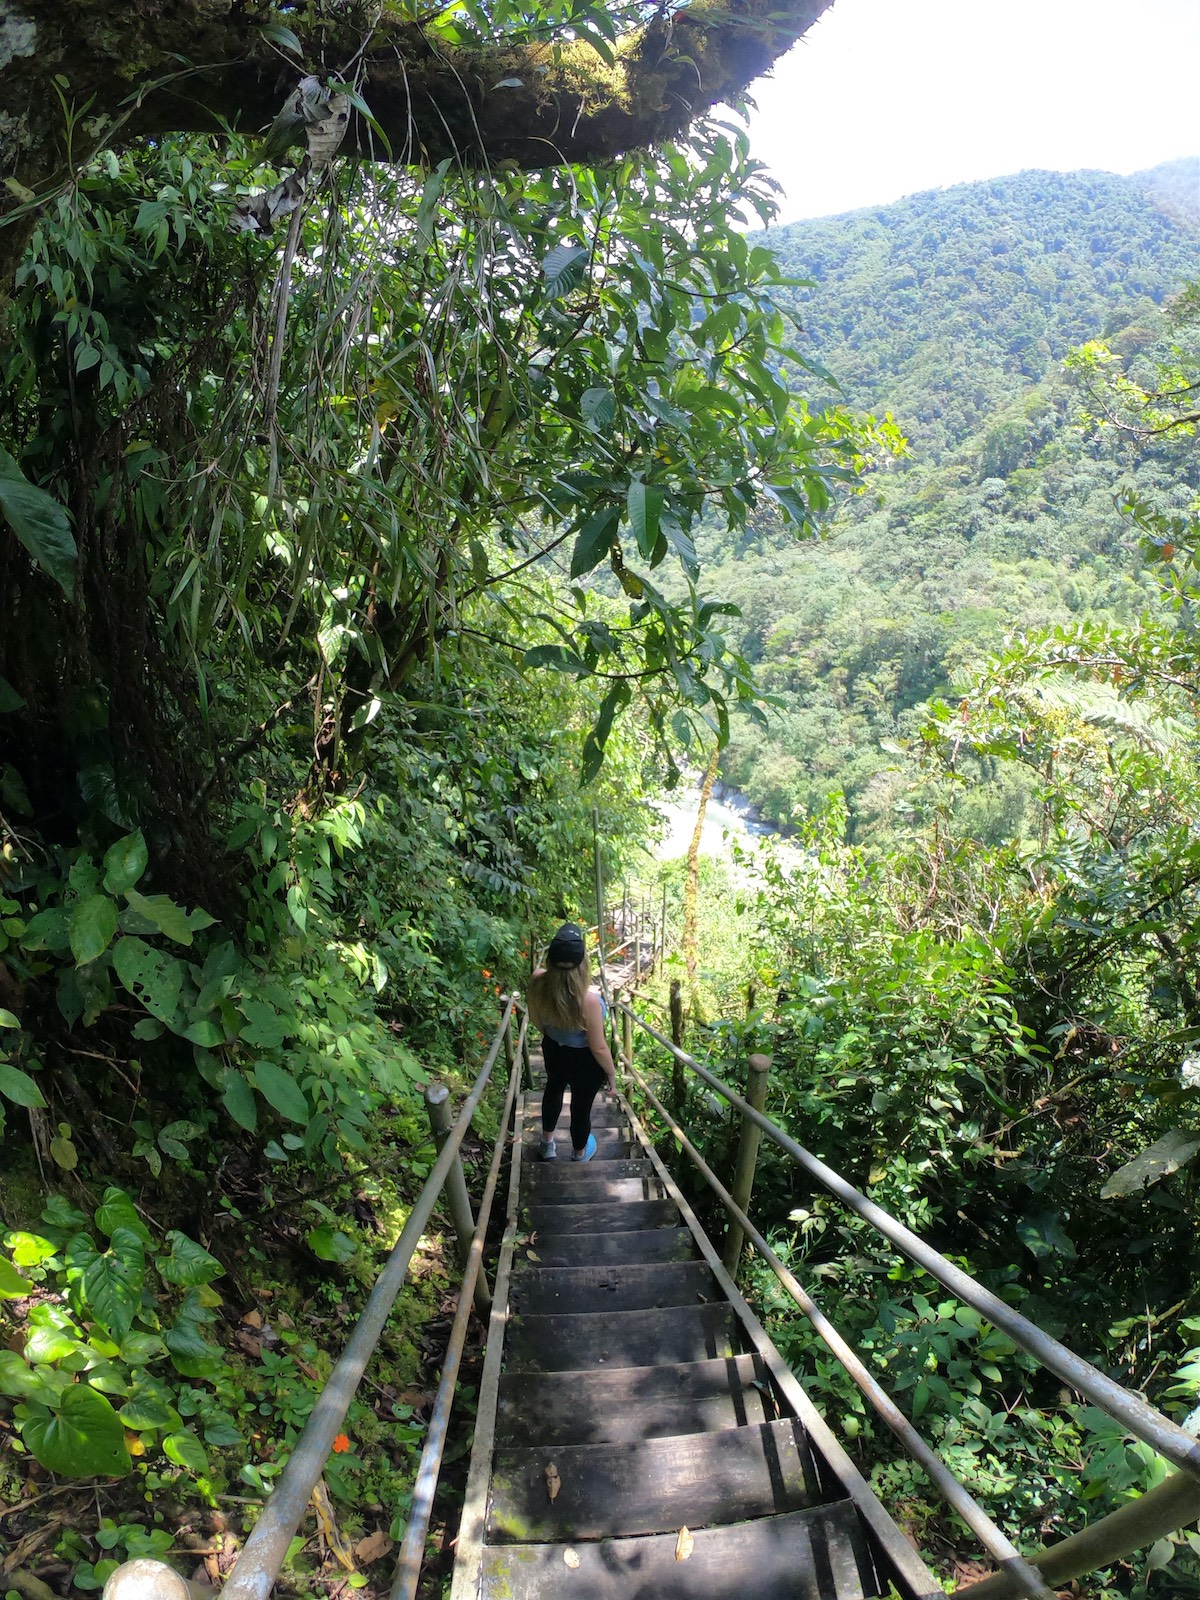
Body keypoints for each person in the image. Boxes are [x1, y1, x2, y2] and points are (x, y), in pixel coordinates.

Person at [526, 922, 617, 1161]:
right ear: (583, 963)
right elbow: (597, 1046)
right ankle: (579, 1152)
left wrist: (554, 1035)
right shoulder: (589, 1002)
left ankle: (547, 1144)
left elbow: (536, 1018)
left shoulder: (538, 981)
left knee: (553, 1089)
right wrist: (611, 1073)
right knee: (581, 1106)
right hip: (584, 1060)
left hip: (554, 1050)